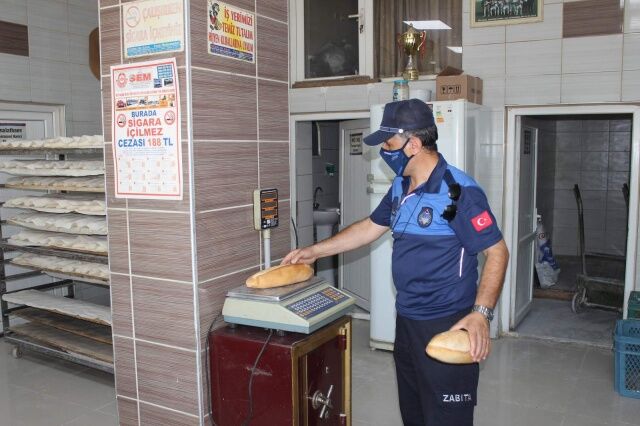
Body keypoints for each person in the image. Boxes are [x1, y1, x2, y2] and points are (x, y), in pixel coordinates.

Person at [282, 99, 509, 426]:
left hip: (448, 320)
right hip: (407, 320)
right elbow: (369, 228)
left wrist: (481, 315)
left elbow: (497, 252)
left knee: (447, 418)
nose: (384, 153)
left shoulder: (458, 192)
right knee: (413, 412)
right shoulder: (401, 187)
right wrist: (315, 251)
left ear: (413, 144)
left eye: (388, 145)